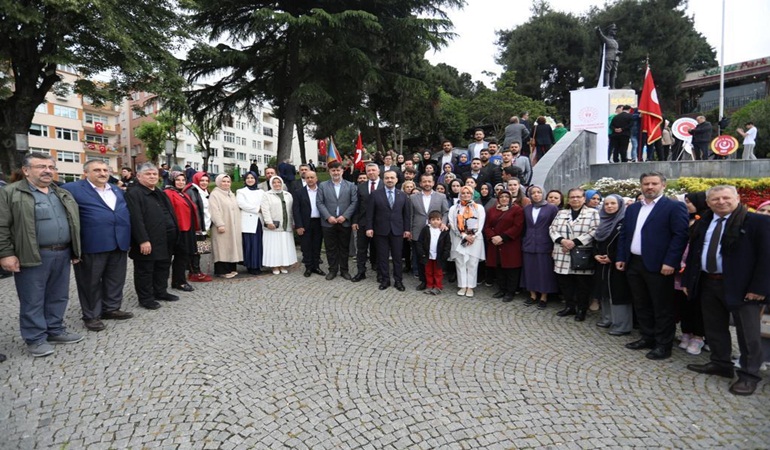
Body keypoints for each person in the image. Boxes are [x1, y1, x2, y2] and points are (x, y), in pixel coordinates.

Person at [683, 185, 770, 396]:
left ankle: (749, 375)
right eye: (715, 199)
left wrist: (759, 287)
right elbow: (696, 251)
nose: (721, 202)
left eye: (725, 197)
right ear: (709, 202)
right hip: (708, 281)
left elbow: (767, 257)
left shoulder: (757, 222)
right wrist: (688, 280)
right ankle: (720, 363)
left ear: (737, 198)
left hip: (743, 287)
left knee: (747, 333)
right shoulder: (705, 220)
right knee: (714, 327)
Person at [0, 152, 83, 357]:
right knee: (32, 299)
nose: (47, 171)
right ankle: (35, 338)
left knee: (59, 295)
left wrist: (75, 249)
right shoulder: (10, 193)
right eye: (41, 166)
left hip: (62, 252)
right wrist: (6, 254)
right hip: (32, 254)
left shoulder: (60, 192)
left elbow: (72, 222)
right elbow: (2, 226)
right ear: (26, 170)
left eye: (51, 167)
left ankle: (55, 330)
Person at [616, 172, 689, 360]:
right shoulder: (633, 209)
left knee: (662, 306)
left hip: (660, 265)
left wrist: (671, 261)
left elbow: (680, 236)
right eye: (646, 183)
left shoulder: (674, 207)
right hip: (634, 263)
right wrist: (621, 257)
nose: (650, 187)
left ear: (663, 185)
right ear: (641, 186)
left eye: (654, 183)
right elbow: (625, 234)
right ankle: (647, 337)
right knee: (641, 304)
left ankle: (663, 344)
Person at [61, 160, 132, 332]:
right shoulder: (72, 189)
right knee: (89, 282)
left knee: (115, 279)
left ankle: (111, 308)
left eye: (105, 170)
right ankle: (91, 315)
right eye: (97, 170)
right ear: (86, 173)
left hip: (118, 242)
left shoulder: (115, 189)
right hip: (92, 244)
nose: (102, 173)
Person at [125, 162, 179, 310]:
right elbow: (136, 219)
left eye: (155, 174)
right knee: (145, 270)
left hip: (165, 238)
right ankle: (146, 298)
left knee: (163, 266)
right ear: (139, 176)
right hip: (148, 239)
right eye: (148, 174)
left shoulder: (160, 192)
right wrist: (142, 240)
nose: (152, 176)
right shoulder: (134, 193)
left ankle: (160, 291)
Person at [549, 188, 599, 321]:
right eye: (572, 197)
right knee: (565, 283)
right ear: (568, 199)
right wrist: (563, 241)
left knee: (582, 284)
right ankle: (570, 306)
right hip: (562, 251)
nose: (575, 199)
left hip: (581, 253)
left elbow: (594, 230)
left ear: (584, 199)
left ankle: (582, 309)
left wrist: (574, 242)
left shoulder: (592, 213)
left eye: (578, 197)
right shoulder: (561, 213)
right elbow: (552, 229)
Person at [592, 194, 633, 336]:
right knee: (604, 291)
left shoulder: (625, 221)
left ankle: (622, 325)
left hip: (617, 263)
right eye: (607, 204)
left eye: (613, 203)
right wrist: (595, 254)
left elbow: (626, 243)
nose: (609, 206)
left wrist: (613, 257)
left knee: (618, 293)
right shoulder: (600, 220)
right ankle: (607, 318)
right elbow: (595, 240)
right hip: (601, 262)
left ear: (620, 205)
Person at [365, 170, 411, 291]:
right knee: (382, 256)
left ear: (396, 180)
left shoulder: (403, 195)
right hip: (380, 230)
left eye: (392, 178)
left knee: (397, 257)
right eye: (387, 178)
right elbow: (370, 213)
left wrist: (407, 229)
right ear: (383, 179)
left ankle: (398, 281)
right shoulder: (375, 194)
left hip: (397, 231)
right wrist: (369, 227)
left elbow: (406, 214)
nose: (389, 180)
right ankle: (385, 280)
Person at [317, 161, 358, 280]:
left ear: (342, 171)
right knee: (330, 248)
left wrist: (345, 216)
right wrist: (328, 216)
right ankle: (333, 270)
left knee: (344, 247)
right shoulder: (323, 186)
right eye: (333, 170)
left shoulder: (351, 185)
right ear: (329, 171)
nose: (336, 172)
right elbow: (319, 202)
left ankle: (344, 270)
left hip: (344, 221)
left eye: (338, 170)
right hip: (328, 222)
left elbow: (354, 202)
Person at [409, 173, 449, 291]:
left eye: (429, 181)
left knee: (435, 258)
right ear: (420, 183)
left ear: (433, 183)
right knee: (420, 258)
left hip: (436, 232)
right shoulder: (413, 197)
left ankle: (436, 282)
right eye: (424, 181)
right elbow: (410, 215)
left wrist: (443, 223)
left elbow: (445, 212)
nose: (427, 183)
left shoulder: (441, 197)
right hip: (418, 231)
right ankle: (423, 281)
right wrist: (410, 230)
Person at [522, 185, 559, 309]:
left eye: (538, 192)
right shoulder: (527, 208)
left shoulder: (551, 208)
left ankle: (543, 296)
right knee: (530, 269)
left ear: (543, 193)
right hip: (529, 242)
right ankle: (532, 295)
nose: (536, 195)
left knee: (544, 271)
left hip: (545, 242)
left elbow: (555, 226)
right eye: (533, 193)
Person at [483, 190, 524, 302]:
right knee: (499, 267)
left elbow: (517, 226)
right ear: (498, 198)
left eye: (507, 196)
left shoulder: (517, 210)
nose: (504, 198)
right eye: (502, 196)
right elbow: (486, 226)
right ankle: (502, 289)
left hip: (510, 244)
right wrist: (493, 237)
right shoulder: (492, 211)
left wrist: (502, 237)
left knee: (511, 269)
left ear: (510, 199)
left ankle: (510, 292)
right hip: (495, 243)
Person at [448, 186, 486, 297]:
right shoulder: (454, 208)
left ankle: (470, 286)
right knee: (460, 263)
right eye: (463, 193)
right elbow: (453, 225)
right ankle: (462, 285)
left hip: (474, 240)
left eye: (468, 193)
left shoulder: (478, 208)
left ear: (472, 194)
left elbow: (481, 223)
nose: (465, 195)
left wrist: (473, 236)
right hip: (459, 238)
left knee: (472, 263)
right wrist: (464, 236)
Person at [164, 172, 199, 292]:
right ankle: (179, 281)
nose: (181, 182)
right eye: (178, 180)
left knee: (184, 256)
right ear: (172, 180)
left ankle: (178, 280)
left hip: (187, 228)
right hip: (178, 229)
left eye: (183, 180)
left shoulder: (182, 193)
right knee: (180, 256)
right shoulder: (169, 193)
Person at [208, 174, 243, 278]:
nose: (226, 184)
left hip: (233, 226)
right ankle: (221, 271)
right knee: (222, 247)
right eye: (223, 181)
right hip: (222, 225)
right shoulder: (215, 194)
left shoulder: (231, 194)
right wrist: (219, 224)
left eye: (228, 182)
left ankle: (231, 268)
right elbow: (214, 210)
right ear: (219, 182)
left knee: (231, 246)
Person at [261, 176, 297, 274]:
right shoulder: (267, 195)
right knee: (274, 247)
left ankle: (283, 265)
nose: (277, 184)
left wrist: (293, 222)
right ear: (271, 184)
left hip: (286, 225)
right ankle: (275, 266)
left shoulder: (288, 194)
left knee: (284, 246)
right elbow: (265, 210)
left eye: (279, 182)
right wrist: (269, 222)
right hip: (273, 226)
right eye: (274, 183)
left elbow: (291, 210)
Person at [352, 163, 381, 282]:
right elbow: (357, 206)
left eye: (373, 170)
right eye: (369, 171)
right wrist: (354, 221)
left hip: (380, 223)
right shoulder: (361, 187)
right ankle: (361, 271)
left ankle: (380, 271)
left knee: (379, 249)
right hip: (363, 222)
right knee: (361, 248)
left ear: (379, 171)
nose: (371, 172)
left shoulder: (385, 185)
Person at [292, 170, 324, 278]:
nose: (310, 179)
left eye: (312, 177)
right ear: (305, 179)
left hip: (319, 222)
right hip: (305, 223)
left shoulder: (322, 191)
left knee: (317, 245)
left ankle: (316, 266)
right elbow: (296, 210)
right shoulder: (299, 192)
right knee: (306, 246)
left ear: (316, 178)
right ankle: (308, 267)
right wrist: (299, 225)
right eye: (307, 178)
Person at [183, 172, 213, 282]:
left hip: (204, 225)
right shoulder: (191, 191)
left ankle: (196, 270)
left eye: (206, 180)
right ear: (196, 180)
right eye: (202, 180)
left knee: (200, 250)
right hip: (196, 227)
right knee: (194, 250)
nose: (204, 183)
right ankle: (194, 272)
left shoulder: (204, 191)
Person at [236, 171, 265, 275]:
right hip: (248, 220)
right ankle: (250, 266)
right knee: (250, 244)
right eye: (248, 178)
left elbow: (264, 203)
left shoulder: (261, 192)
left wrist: (263, 210)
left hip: (259, 220)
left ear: (256, 179)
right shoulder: (241, 191)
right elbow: (241, 204)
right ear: (245, 180)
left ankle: (258, 264)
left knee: (258, 243)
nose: (250, 180)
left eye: (252, 178)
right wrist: (257, 209)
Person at [416, 211, 451, 295]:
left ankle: (438, 286)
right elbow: (419, 242)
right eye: (433, 219)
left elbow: (447, 244)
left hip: (439, 256)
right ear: (429, 221)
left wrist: (445, 254)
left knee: (438, 272)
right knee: (428, 271)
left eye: (438, 219)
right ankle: (429, 285)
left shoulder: (444, 231)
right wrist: (422, 253)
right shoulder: (425, 229)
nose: (435, 221)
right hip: (427, 255)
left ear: (441, 220)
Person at [596, 24, 620, 89]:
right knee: (607, 71)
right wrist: (598, 30)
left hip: (616, 58)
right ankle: (607, 86)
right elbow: (600, 35)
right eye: (613, 30)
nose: (615, 31)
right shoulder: (606, 39)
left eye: (615, 30)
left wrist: (619, 52)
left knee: (614, 73)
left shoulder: (615, 41)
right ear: (609, 31)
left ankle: (613, 86)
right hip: (608, 57)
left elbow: (615, 49)